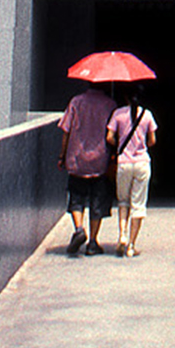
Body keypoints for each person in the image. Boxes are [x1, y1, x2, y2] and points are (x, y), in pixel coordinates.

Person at [58, 80, 117, 255]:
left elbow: (66, 130)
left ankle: (78, 229)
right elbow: (113, 133)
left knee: (76, 197)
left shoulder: (76, 101)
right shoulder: (110, 104)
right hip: (100, 161)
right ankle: (92, 242)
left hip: (77, 159)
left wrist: (62, 156)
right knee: (97, 201)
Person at [106, 97, 157, 257]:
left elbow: (109, 137)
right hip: (142, 163)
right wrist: (141, 146)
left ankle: (122, 236)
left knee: (123, 201)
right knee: (138, 204)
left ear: (126, 98)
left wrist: (119, 145)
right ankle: (131, 246)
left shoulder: (118, 114)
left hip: (123, 163)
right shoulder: (147, 115)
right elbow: (152, 140)